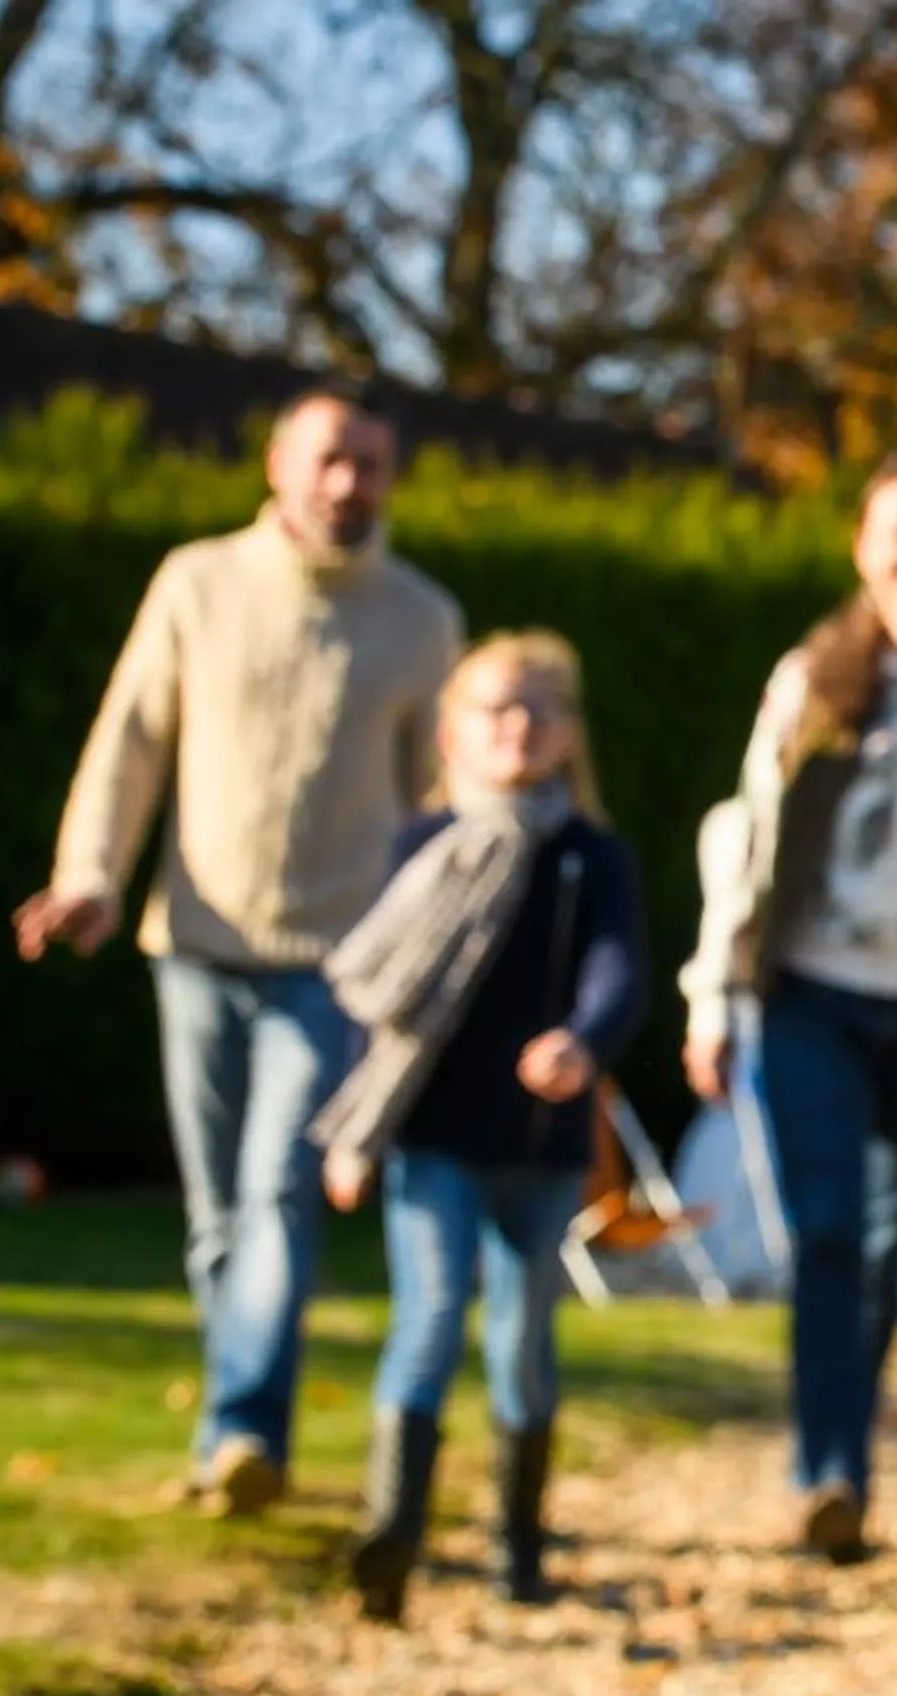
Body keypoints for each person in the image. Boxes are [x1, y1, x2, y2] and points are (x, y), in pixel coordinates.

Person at [14, 380, 461, 1518]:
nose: (350, 482)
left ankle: (242, 1434)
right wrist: (90, 880)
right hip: (198, 944)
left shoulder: (422, 620)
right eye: (331, 458)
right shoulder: (196, 583)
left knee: (277, 1189)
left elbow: (436, 810)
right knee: (219, 1211)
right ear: (279, 464)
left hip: (335, 963)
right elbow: (130, 742)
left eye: (371, 462)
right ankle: (236, 1417)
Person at [680, 446, 897, 1563]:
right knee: (829, 1229)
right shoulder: (814, 678)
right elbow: (745, 833)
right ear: (864, 549)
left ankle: (846, 1458)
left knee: (890, 1242)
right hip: (813, 996)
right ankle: (826, 1469)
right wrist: (709, 991)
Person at [312, 630, 647, 1621]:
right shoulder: (422, 849)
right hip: (432, 1139)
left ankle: (517, 1545)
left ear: (568, 733)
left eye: (538, 710)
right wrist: (350, 1131)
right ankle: (392, 1531)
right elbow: (376, 1003)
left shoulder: (591, 859)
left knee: (521, 1337)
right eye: (496, 709)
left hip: (540, 1150)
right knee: (425, 1321)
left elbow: (619, 971)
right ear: (454, 730)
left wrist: (583, 1041)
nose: (517, 727)